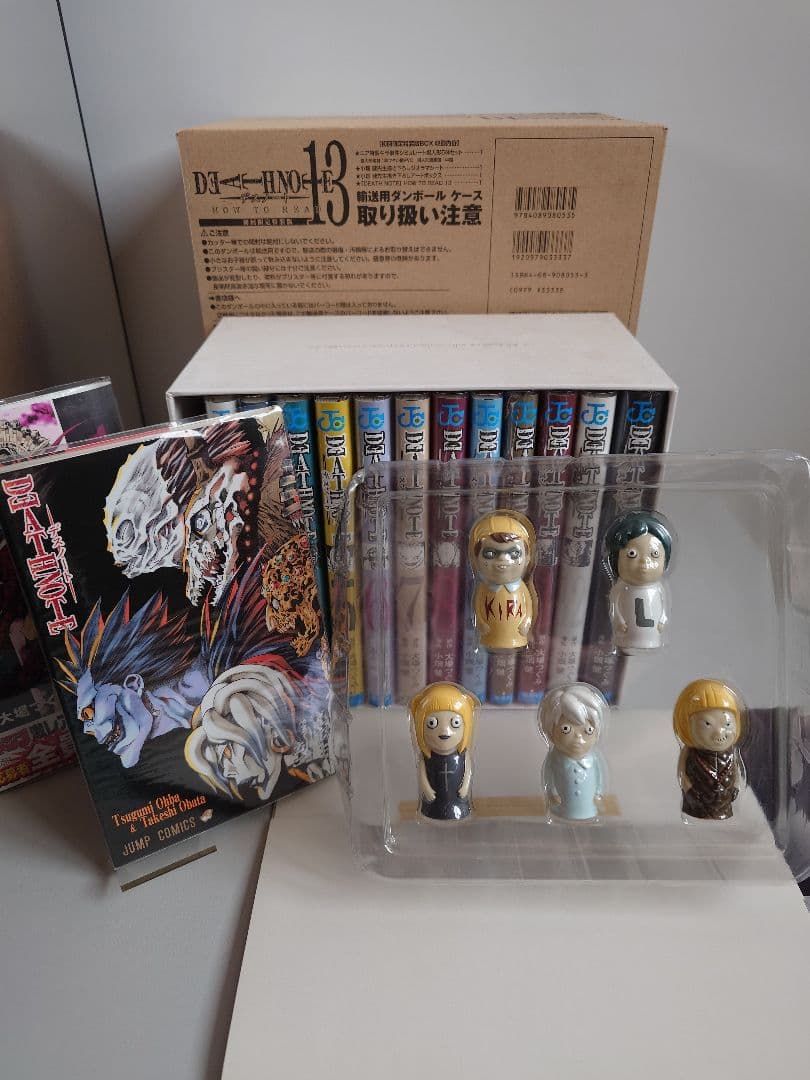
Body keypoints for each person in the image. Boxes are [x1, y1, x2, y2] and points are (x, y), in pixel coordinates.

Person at [673, 679, 745, 820]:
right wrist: (688, 789)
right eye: (707, 724)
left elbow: (736, 770)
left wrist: (736, 786)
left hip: (724, 805)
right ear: (687, 725)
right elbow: (682, 773)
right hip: (696, 807)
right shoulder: (689, 753)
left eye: (727, 724)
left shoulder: (731, 753)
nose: (719, 732)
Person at [604, 509, 673, 654]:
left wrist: (662, 619)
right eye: (632, 554)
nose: (644, 562)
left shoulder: (657, 588)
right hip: (625, 636)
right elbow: (614, 605)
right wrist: (618, 620)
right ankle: (627, 641)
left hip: (653, 635)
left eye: (654, 554)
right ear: (616, 559)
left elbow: (664, 606)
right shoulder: (621, 587)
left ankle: (649, 640)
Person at [538, 682, 608, 821]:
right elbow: (548, 777)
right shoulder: (554, 759)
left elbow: (599, 775)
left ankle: (586, 810)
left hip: (590, 807)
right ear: (551, 732)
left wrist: (598, 793)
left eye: (588, 730)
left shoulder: (593, 759)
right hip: (562, 808)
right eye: (566, 729)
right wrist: (552, 793)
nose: (578, 738)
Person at [469, 510, 537, 652]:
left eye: (514, 553)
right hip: (489, 638)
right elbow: (478, 607)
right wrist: (481, 623)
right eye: (490, 553)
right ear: (476, 558)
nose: (503, 560)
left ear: (527, 558)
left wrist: (526, 622)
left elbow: (528, 608)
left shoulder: (521, 588)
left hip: (517, 637)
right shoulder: (484, 588)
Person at [410, 682, 478, 822]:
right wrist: (426, 789)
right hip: (433, 804)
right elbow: (422, 774)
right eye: (432, 723)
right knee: (434, 809)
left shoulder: (462, 755)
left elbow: (468, 771)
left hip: (458, 802)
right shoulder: (426, 758)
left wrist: (465, 786)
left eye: (455, 723)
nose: (444, 731)